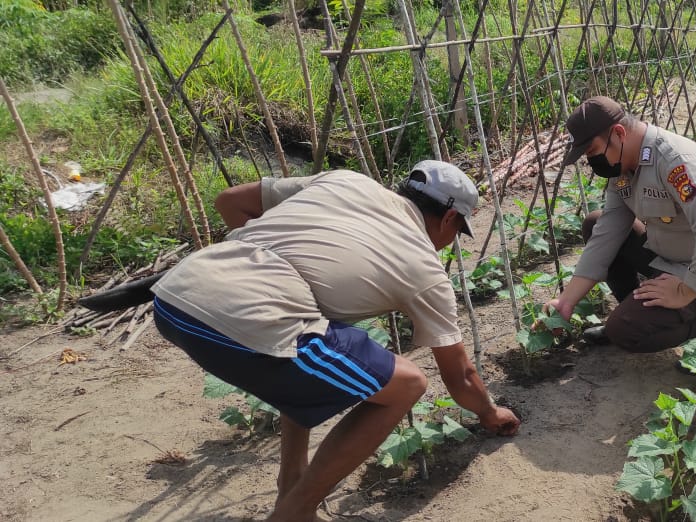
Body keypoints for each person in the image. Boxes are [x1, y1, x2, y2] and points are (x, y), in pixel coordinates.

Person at [150, 161, 520, 521]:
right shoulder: (424, 269)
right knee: (407, 383)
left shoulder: (345, 182)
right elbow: (461, 377)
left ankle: (290, 484)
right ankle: (294, 513)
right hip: (245, 323)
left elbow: (229, 200)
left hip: (174, 298)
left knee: (311, 352)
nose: (450, 241)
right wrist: (489, 413)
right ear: (450, 219)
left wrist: (263, 263)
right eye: (457, 232)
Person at [545, 96, 696, 354]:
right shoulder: (623, 169)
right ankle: (637, 310)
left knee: (624, 332)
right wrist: (566, 301)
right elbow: (607, 233)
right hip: (669, 258)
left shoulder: (676, 161)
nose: (593, 162)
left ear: (618, 133)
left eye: (593, 152)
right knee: (595, 223)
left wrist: (686, 290)